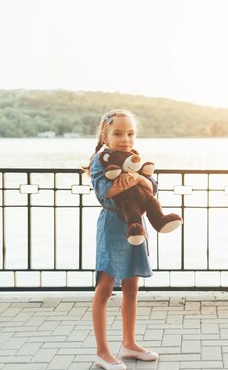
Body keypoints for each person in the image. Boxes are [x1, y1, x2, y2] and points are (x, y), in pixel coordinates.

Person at [83, 109, 159, 370]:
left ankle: (129, 344)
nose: (125, 139)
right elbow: (105, 194)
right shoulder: (99, 161)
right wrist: (128, 183)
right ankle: (102, 351)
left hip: (134, 227)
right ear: (105, 136)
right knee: (104, 288)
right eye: (118, 133)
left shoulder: (135, 160)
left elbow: (151, 187)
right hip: (113, 226)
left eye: (130, 133)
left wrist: (137, 177)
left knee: (131, 287)